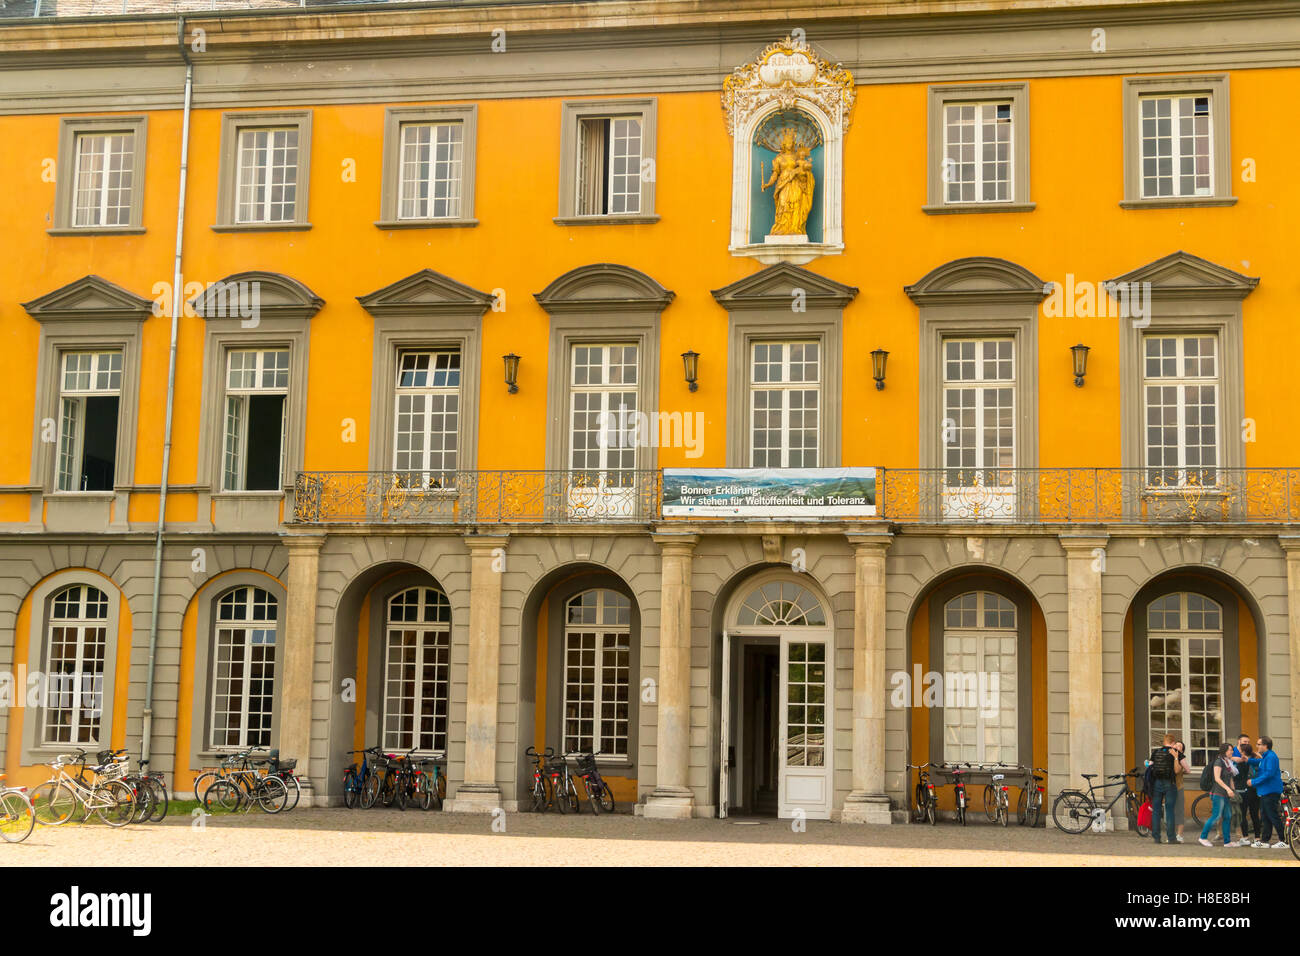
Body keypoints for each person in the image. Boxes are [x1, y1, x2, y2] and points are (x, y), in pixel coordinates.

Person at [1246, 735, 1287, 849]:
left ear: (1265, 746)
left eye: (1259, 744)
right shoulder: (1266, 756)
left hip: (1270, 791)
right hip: (1265, 790)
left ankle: (1284, 840)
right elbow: (1259, 763)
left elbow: (1268, 773)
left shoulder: (1271, 757)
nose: (1257, 746)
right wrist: (1248, 760)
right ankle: (1265, 840)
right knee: (1265, 816)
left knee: (1273, 816)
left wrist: (1253, 782)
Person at [1198, 741, 1238, 848]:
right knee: (1216, 816)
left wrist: (1233, 790)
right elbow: (1217, 778)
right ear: (1225, 751)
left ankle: (1227, 841)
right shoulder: (1219, 762)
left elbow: (1230, 778)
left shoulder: (1228, 762)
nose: (1232, 752)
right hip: (1218, 793)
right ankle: (1203, 837)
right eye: (1230, 750)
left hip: (1226, 794)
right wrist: (1228, 789)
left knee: (1227, 816)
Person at [1148, 733, 1179, 845]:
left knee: (1156, 811)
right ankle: (1171, 838)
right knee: (1169, 810)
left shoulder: (1155, 752)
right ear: (1172, 743)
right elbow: (1177, 770)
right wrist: (1175, 757)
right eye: (1174, 743)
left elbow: (1149, 766)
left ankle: (1156, 837)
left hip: (1157, 783)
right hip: (1169, 783)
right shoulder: (1173, 752)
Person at [1230, 734, 1261, 844]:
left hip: (1245, 789)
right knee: (1253, 814)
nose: (1246, 743)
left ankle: (1246, 837)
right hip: (1253, 788)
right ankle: (1256, 838)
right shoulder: (1253, 758)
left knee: (1243, 814)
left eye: (1247, 742)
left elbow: (1234, 774)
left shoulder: (1244, 760)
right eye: (1244, 741)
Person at [1171, 740, 1192, 843]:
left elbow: (1188, 770)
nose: (1177, 747)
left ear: (1182, 751)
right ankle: (1171, 833)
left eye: (1180, 746)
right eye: (1176, 745)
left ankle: (1179, 834)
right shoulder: (1169, 756)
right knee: (1169, 811)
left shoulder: (1180, 759)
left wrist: (1181, 772)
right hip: (1168, 787)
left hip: (1178, 787)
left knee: (1179, 811)